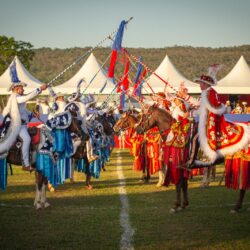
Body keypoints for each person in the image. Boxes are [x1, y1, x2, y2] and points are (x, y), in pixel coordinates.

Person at [178, 65, 249, 165]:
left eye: (201, 83)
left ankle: (192, 161)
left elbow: (209, 108)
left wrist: (190, 112)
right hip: (206, 122)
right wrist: (186, 97)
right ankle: (194, 160)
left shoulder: (209, 93)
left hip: (209, 123)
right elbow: (201, 106)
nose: (199, 85)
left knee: (194, 139)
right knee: (194, 138)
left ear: (206, 84)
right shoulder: (206, 93)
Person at [3, 81, 47, 171]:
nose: (23, 89)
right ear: (17, 89)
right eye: (22, 88)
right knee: (27, 139)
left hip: (23, 124)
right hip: (17, 125)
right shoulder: (15, 97)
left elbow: (24, 111)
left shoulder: (19, 98)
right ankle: (25, 164)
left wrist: (33, 115)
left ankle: (33, 159)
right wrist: (40, 89)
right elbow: (27, 98)